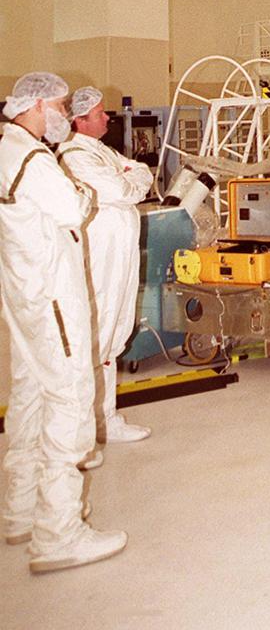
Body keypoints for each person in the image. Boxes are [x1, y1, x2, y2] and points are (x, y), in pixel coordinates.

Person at [0, 73, 128, 572]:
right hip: (53, 295)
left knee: (30, 396)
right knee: (69, 401)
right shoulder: (33, 160)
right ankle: (58, 533)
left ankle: (21, 509)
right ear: (33, 106)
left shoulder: (8, 150)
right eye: (58, 105)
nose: (62, 114)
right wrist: (83, 193)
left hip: (25, 293)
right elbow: (76, 207)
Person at [58, 87, 154, 442]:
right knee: (100, 332)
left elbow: (141, 173)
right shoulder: (75, 157)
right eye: (99, 113)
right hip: (101, 255)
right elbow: (123, 190)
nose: (107, 117)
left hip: (119, 254)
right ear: (80, 120)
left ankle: (104, 416)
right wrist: (132, 179)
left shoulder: (99, 151)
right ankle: (93, 420)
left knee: (114, 329)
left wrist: (133, 176)